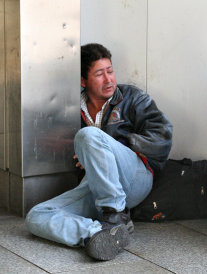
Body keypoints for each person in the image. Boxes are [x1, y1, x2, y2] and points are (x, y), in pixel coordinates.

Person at [26, 43, 173, 260]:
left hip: (135, 176)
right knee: (36, 216)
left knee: (88, 135)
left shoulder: (133, 98)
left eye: (110, 71)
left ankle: (116, 215)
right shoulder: (71, 108)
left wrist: (112, 145)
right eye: (99, 74)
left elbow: (163, 137)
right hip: (95, 184)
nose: (109, 79)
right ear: (83, 81)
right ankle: (99, 233)